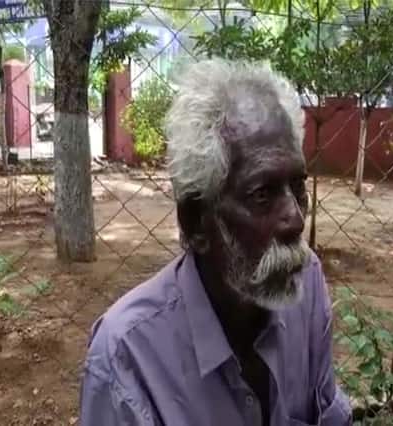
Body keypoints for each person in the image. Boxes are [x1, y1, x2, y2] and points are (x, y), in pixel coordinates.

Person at [80, 59, 352, 426]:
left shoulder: (306, 283)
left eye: (298, 187)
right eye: (262, 194)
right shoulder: (127, 359)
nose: (296, 219)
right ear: (196, 223)